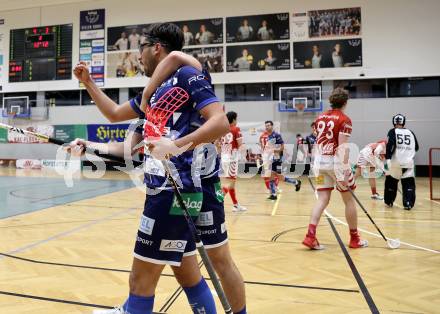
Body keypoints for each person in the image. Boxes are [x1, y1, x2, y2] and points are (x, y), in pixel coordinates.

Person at [74, 22, 247, 314]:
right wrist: (89, 83)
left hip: (181, 187)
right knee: (186, 270)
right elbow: (115, 115)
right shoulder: (155, 95)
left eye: (141, 48)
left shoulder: (185, 74)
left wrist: (176, 145)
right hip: (181, 187)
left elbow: (218, 121)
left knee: (208, 263)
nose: (138, 56)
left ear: (156, 47)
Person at [303, 87, 367, 250]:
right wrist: (345, 170)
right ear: (345, 102)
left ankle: (310, 236)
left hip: (319, 163)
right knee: (349, 200)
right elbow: (342, 148)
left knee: (322, 199)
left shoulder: (320, 117)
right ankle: (354, 239)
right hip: (335, 164)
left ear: (331, 101)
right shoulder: (345, 119)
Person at [384, 114, 419, 210]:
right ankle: (408, 203)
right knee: (408, 183)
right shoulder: (411, 132)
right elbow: (416, 147)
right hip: (408, 163)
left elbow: (389, 145)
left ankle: (389, 201)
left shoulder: (392, 131)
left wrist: (388, 159)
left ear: (393, 122)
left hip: (396, 162)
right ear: (403, 122)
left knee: (391, 182)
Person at [260, 121, 301, 201]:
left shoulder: (276, 135)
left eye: (268, 125)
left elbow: (282, 147)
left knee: (277, 176)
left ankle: (295, 183)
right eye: (266, 126)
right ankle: (274, 194)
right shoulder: (269, 136)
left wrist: (273, 151)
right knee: (275, 176)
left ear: (272, 126)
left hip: (277, 159)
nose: (267, 127)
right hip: (272, 159)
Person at [219, 111, 247, 212]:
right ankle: (218, 199)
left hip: (224, 158)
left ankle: (235, 205)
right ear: (234, 119)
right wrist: (244, 156)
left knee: (232, 182)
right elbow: (241, 145)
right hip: (232, 159)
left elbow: (218, 145)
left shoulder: (222, 131)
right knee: (230, 183)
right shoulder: (236, 129)